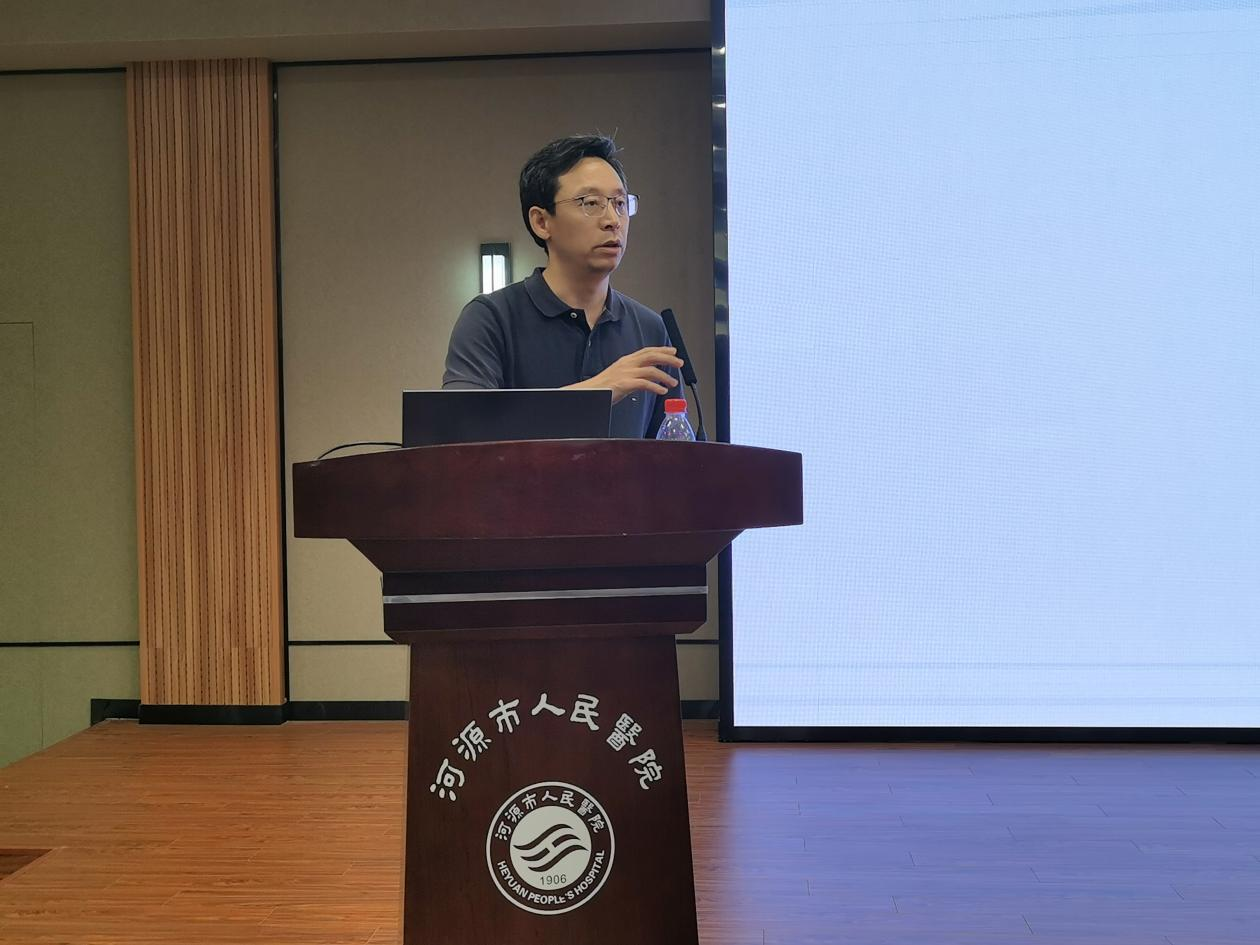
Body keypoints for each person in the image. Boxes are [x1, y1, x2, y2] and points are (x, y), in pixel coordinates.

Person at [442, 135, 685, 438]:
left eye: (620, 203)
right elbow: (460, 434)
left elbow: (671, 452)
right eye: (591, 203)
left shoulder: (649, 329)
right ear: (541, 222)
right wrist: (598, 391)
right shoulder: (491, 318)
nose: (613, 220)